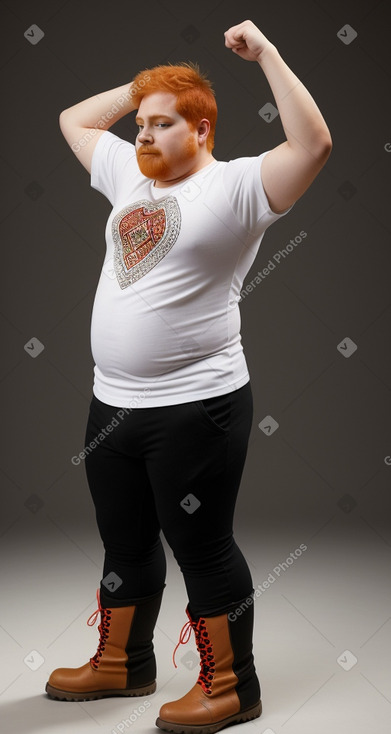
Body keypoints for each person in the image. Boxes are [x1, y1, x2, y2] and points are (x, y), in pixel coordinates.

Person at [46, 19, 332, 734]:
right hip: (111, 405)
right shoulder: (125, 175)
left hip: (194, 409)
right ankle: (122, 664)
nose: (141, 135)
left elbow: (313, 145)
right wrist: (141, 90)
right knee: (125, 543)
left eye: (161, 123)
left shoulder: (238, 187)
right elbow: (72, 119)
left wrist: (265, 52)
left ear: (202, 130)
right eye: (140, 125)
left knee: (202, 546)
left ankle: (233, 686)